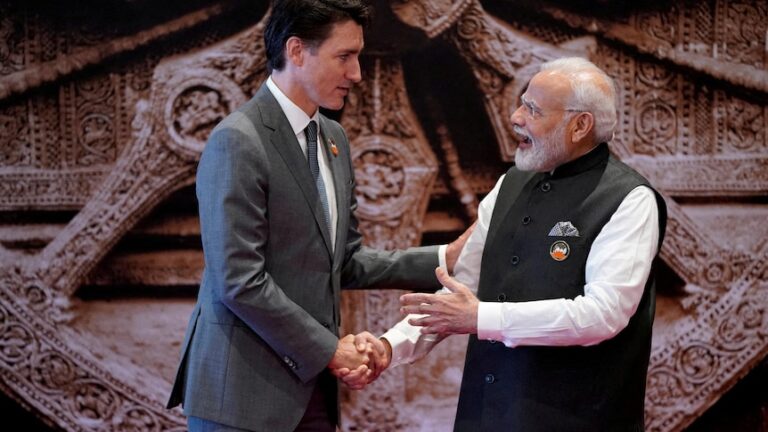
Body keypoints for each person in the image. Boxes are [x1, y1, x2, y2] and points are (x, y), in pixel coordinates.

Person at [165, 1, 467, 430]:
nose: (357, 73)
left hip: (313, 394)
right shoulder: (238, 140)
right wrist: (330, 350)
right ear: (296, 51)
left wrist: (444, 259)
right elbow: (238, 280)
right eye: (344, 56)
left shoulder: (333, 138)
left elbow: (344, 258)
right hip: (242, 400)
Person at [382, 57, 668, 431]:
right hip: (484, 416)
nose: (515, 117)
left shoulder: (629, 199)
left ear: (580, 125)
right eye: (522, 103)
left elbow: (603, 314)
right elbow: (461, 293)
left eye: (533, 109)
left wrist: (482, 318)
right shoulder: (510, 184)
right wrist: (388, 348)